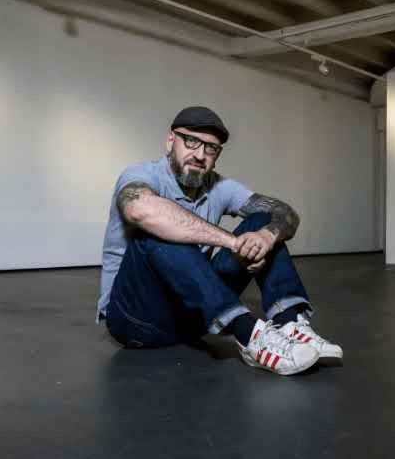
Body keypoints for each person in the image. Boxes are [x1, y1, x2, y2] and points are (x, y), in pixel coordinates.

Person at [97, 106, 342, 376]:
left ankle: (290, 324)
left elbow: (285, 213)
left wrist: (264, 236)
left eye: (211, 149)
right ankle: (250, 336)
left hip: (193, 316)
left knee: (262, 221)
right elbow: (140, 210)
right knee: (157, 229)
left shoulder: (218, 186)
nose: (200, 155)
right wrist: (233, 243)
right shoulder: (141, 175)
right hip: (135, 320)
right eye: (191, 141)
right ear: (170, 141)